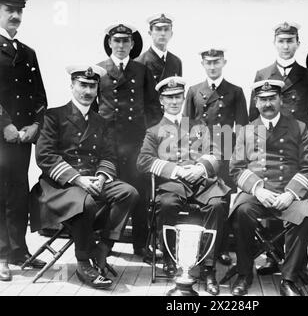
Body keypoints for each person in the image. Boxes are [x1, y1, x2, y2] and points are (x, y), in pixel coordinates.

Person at [30, 65, 139, 289]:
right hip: (59, 186)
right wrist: (78, 179)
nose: (88, 91)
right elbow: (45, 156)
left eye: (92, 86)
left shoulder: (101, 122)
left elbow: (108, 155)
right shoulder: (53, 116)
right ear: (72, 86)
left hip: (93, 180)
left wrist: (101, 177)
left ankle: (102, 249)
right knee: (85, 202)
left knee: (129, 193)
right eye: (83, 85)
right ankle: (83, 261)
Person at [137, 76, 231, 296]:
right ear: (161, 100)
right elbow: (143, 162)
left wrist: (200, 168)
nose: (174, 101)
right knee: (167, 204)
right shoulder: (154, 131)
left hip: (201, 183)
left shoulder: (199, 127)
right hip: (174, 184)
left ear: (184, 98)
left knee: (217, 205)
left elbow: (217, 153)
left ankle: (208, 268)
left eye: (178, 96)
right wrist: (176, 171)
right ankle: (170, 260)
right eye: (169, 97)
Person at [229, 79, 308, 296]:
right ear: (256, 103)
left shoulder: (298, 127)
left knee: (303, 216)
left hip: (288, 193)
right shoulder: (247, 130)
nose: (267, 104)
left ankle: (289, 278)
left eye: (272, 99)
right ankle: (244, 273)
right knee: (241, 212)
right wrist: (257, 189)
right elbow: (236, 168)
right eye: (263, 100)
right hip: (257, 193)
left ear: (281, 100)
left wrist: (290, 194)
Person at [247, 22, 308, 275]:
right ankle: (272, 257)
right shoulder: (262, 73)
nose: (286, 46)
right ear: (275, 43)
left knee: (298, 208)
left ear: (298, 43)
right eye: (282, 41)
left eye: (291, 41)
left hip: (296, 148)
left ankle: (297, 266)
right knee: (268, 205)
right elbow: (251, 119)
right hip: (267, 150)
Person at [97, 23, 163, 259]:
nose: (122, 45)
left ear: (133, 44)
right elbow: (93, 110)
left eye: (126, 41)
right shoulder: (98, 70)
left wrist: (149, 136)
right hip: (109, 144)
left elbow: (154, 107)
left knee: (141, 194)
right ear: (110, 43)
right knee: (111, 193)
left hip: (136, 143)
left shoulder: (141, 70)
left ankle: (141, 245)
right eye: (117, 40)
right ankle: (106, 243)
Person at [183, 47, 249, 266]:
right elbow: (186, 126)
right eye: (208, 62)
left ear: (224, 62)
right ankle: (195, 248)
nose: (212, 66)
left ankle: (220, 248)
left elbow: (241, 128)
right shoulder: (193, 91)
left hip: (226, 156)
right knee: (200, 201)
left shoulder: (235, 91)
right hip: (199, 156)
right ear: (202, 64)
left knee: (222, 203)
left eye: (216, 62)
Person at [0, 0, 47, 282]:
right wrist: (4, 124)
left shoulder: (28, 52)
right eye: (9, 10)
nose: (15, 15)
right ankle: (1, 255)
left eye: (19, 10)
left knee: (18, 193)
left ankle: (18, 251)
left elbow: (39, 95)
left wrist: (35, 125)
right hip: (0, 136)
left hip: (21, 138)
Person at [135, 13, 182, 83]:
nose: (163, 33)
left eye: (166, 29)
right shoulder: (139, 63)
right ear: (150, 33)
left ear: (171, 34)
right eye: (158, 29)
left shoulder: (176, 62)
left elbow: (179, 91)